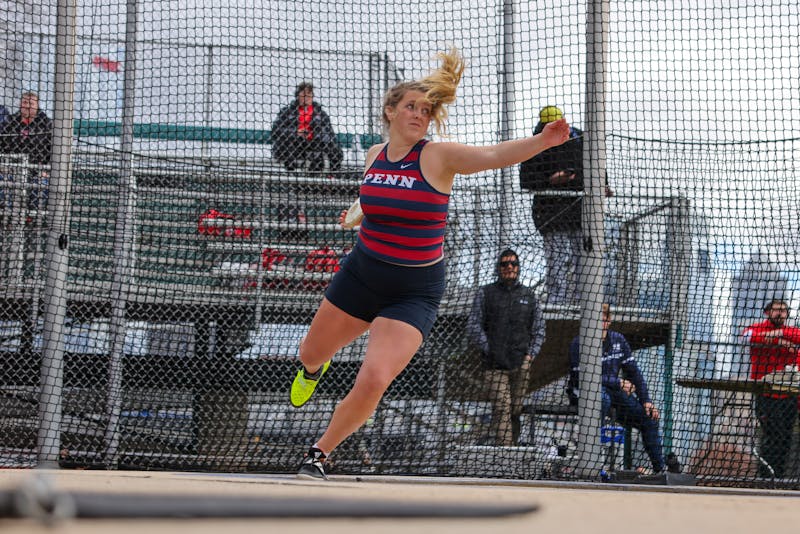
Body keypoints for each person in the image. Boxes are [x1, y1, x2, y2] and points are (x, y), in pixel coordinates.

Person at [288, 48, 572, 480]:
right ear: (390, 111)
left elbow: (494, 155)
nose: (419, 114)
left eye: (425, 109)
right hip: (361, 276)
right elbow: (376, 196)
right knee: (310, 352)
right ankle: (314, 367)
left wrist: (542, 142)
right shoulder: (373, 155)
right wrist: (358, 210)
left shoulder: (438, 157)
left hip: (413, 292)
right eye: (410, 107)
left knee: (376, 376)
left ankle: (318, 454)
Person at [567, 304, 667, 473]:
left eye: (605, 320)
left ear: (609, 322)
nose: (601, 324)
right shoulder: (579, 343)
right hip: (584, 392)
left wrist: (646, 401)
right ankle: (590, 461)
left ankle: (660, 469)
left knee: (648, 418)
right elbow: (582, 378)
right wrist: (618, 383)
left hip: (614, 393)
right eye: (597, 320)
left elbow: (634, 372)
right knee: (602, 399)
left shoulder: (618, 340)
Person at [466, 248, 546, 446]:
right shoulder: (486, 293)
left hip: (521, 363)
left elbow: (539, 329)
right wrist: (489, 349)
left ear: (518, 267)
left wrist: (530, 356)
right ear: (498, 268)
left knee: (515, 409)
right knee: (502, 406)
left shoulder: (529, 295)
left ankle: (513, 446)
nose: (509, 267)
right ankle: (506, 451)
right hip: (494, 365)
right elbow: (473, 325)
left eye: (513, 264)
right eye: (504, 264)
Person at [519, 106, 584, 306]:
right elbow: (526, 180)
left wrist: (602, 184)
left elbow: (594, 167)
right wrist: (551, 180)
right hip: (551, 214)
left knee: (583, 259)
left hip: (579, 211)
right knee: (557, 260)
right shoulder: (536, 143)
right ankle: (558, 302)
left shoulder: (578, 139)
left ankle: (583, 301)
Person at [743, 299, 800, 478]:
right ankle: (766, 476)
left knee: (785, 436)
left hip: (788, 394)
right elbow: (747, 336)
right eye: (776, 310)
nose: (780, 313)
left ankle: (779, 476)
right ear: (767, 312)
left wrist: (780, 333)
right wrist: (779, 341)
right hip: (766, 393)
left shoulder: (791, 331)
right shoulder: (758, 328)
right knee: (772, 434)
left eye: (783, 310)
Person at [271, 82, 344, 173]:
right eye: (303, 95)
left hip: (314, 144)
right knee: (288, 144)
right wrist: (295, 132)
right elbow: (276, 131)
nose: (306, 98)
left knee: (332, 148)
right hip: (294, 144)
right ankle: (291, 175)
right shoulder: (287, 112)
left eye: (309, 95)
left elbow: (330, 134)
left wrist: (315, 135)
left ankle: (332, 175)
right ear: (297, 96)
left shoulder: (320, 114)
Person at [0, 91, 53, 210]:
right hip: (12, 169)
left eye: (31, 103)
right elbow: (2, 145)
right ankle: (6, 215)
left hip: (37, 171)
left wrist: (47, 171)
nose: (27, 106)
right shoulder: (10, 122)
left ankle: (31, 217)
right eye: (24, 102)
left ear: (37, 105)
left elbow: (53, 151)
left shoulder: (46, 124)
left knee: (41, 185)